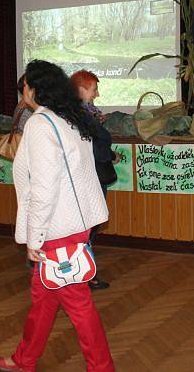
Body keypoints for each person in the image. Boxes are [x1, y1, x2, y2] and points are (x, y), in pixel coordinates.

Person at [0, 60, 114, 372]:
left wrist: (36, 237)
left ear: (34, 89)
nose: (23, 92)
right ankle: (24, 360)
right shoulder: (69, 118)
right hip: (75, 222)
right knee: (44, 298)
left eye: (25, 86)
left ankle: (102, 367)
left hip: (58, 228)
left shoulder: (41, 124)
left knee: (77, 303)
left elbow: (42, 187)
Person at [71, 69, 118, 291]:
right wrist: (109, 154)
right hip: (91, 178)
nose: (97, 94)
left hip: (84, 176)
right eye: (94, 89)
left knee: (86, 228)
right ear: (81, 89)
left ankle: (82, 270)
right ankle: (86, 274)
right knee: (89, 228)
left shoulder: (74, 114)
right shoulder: (85, 117)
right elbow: (97, 150)